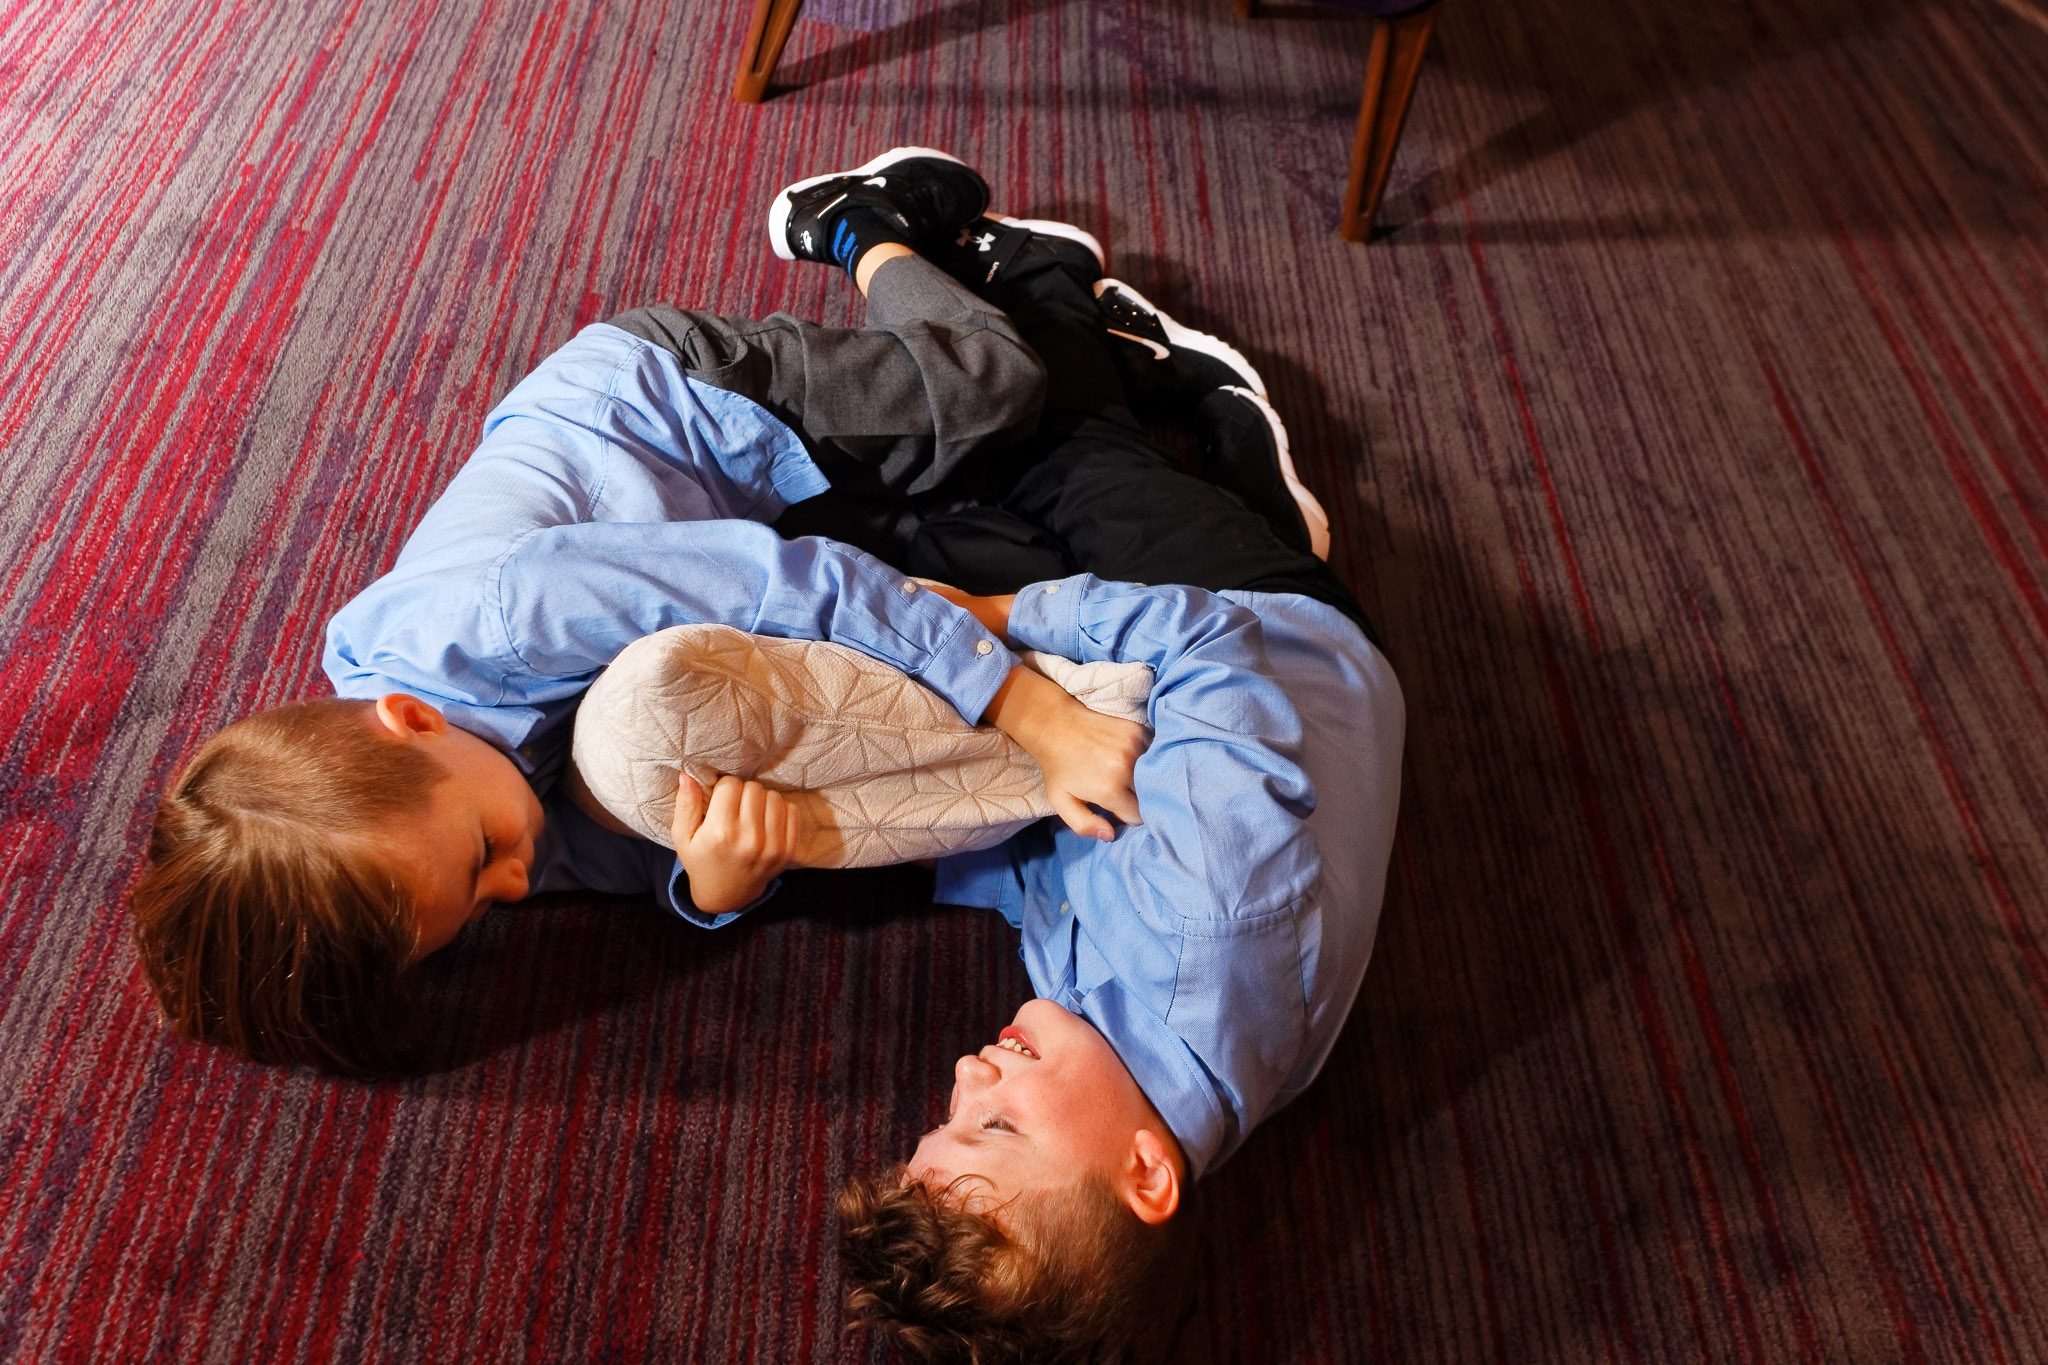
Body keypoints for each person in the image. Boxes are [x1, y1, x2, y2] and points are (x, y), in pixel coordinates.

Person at [127, 149, 1147, 1075]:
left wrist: (1026, 710)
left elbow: (780, 582)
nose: (517, 889)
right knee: (977, 528)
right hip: (690, 541)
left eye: (484, 860)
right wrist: (708, 891)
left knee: (988, 391)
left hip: (673, 404)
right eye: (479, 912)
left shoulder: (503, 619)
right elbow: (624, 831)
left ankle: (858, 223)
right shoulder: (445, 814)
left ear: (414, 721)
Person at [824, 218, 1406, 1364]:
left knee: (907, 533)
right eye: (991, 1125)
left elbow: (1043, 870)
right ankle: (1046, 271)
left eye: (942, 1119)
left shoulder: (1148, 1078)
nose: (962, 1075)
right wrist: (993, 626)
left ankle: (1239, 478)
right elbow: (1204, 645)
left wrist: (798, 851)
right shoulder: (1212, 914)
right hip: (1262, 628)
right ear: (1144, 1175)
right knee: (1047, 450)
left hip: (1202, 735)